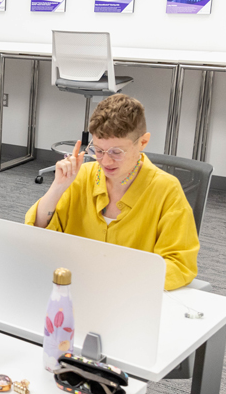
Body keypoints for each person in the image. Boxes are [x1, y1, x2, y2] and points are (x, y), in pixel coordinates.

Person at [25, 94, 199, 290]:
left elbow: (179, 264)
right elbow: (37, 237)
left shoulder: (166, 189)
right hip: (77, 291)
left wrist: (118, 281)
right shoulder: (81, 177)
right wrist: (57, 188)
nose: (105, 161)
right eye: (98, 150)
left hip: (131, 297)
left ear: (143, 142)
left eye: (116, 152)